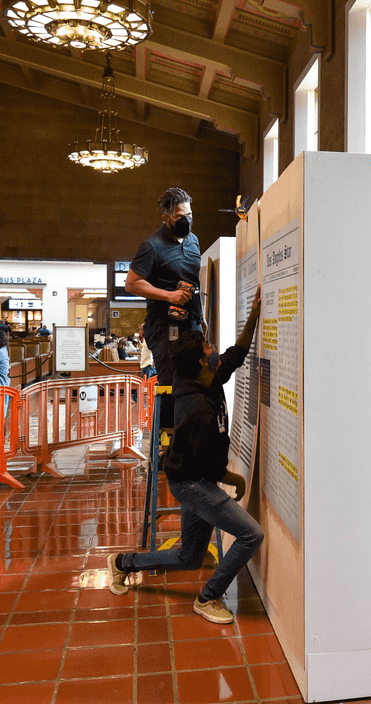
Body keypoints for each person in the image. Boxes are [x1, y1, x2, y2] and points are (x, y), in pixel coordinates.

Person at [108, 287, 262, 625]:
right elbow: (202, 465)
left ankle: (122, 563)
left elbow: (238, 352)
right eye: (209, 347)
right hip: (192, 482)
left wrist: (254, 313)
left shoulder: (208, 375)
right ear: (200, 361)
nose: (215, 348)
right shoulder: (197, 412)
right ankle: (208, 598)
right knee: (252, 534)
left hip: (195, 477)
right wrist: (230, 477)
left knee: (189, 556)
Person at [125, 187, 202, 388]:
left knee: (194, 385)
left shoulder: (194, 241)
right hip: (165, 328)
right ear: (166, 218)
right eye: (179, 216)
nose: (186, 220)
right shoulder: (152, 246)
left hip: (192, 325)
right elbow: (131, 283)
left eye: (189, 215)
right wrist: (169, 295)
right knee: (172, 387)